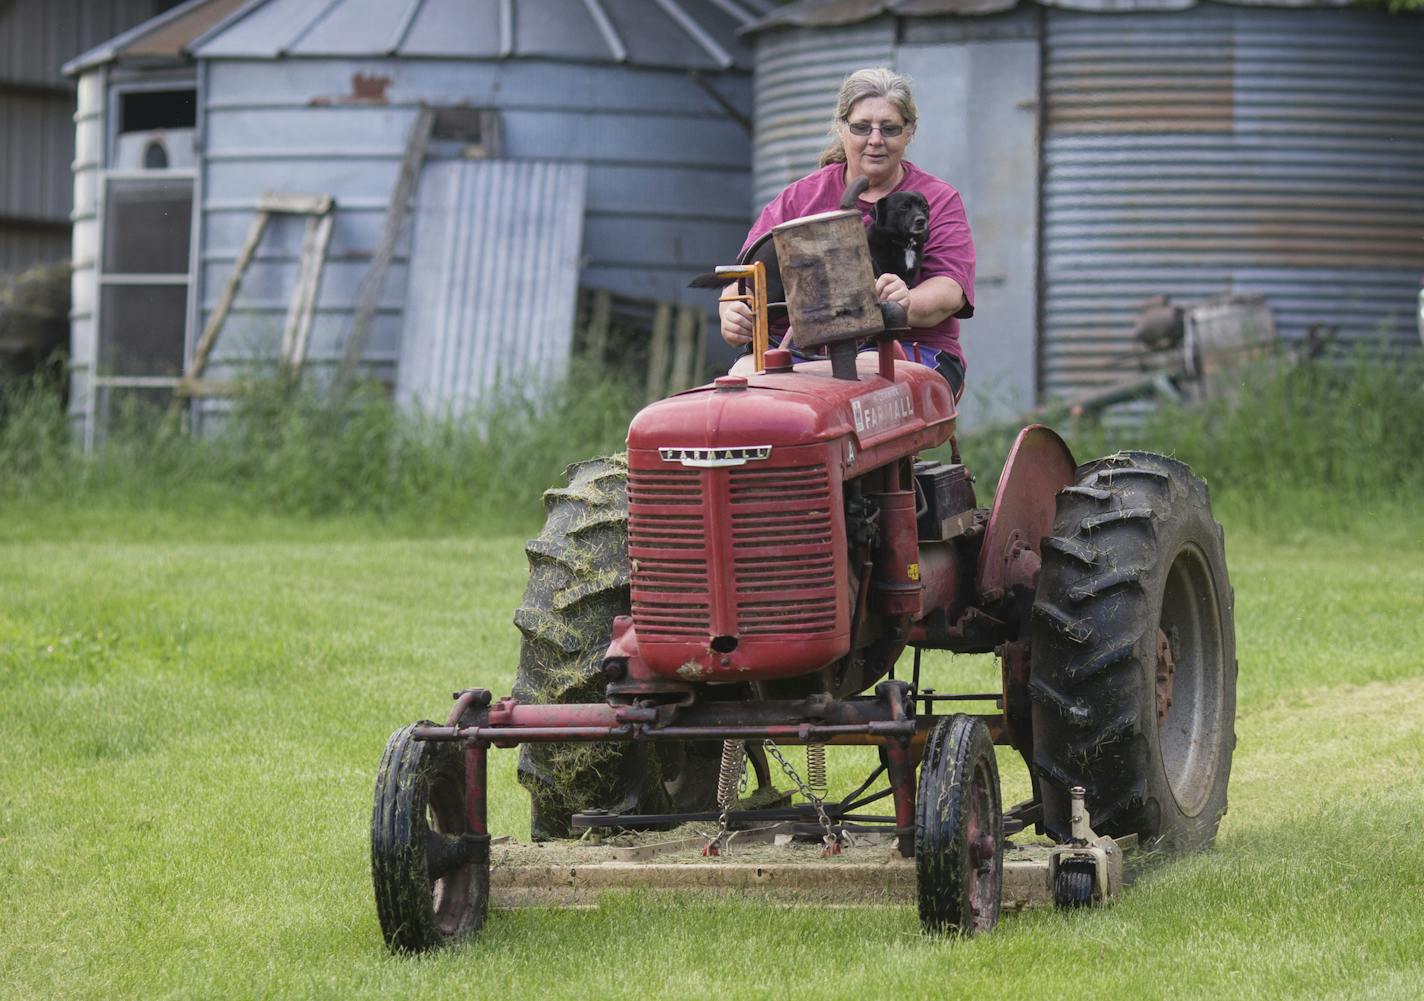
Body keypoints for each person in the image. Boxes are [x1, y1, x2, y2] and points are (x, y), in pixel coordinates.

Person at [719, 67, 975, 398]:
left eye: (890, 128)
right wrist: (733, 312)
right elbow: (743, 280)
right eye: (861, 127)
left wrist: (905, 301)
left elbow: (949, 291)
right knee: (741, 387)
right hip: (798, 352)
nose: (875, 140)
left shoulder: (938, 199)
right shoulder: (800, 198)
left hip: (905, 347)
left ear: (909, 131)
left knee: (865, 380)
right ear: (842, 129)